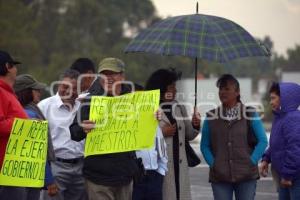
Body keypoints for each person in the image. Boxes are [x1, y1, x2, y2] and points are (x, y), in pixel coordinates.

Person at [69, 57, 142, 200]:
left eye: (112, 73)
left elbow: (144, 125)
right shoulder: (90, 100)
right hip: (98, 177)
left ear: (122, 76)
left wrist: (154, 116)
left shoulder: (134, 98)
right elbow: (73, 132)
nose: (108, 78)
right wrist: (83, 128)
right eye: (104, 74)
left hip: (125, 175)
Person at [200, 74, 268, 200]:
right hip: (220, 176)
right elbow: (204, 146)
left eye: (227, 89)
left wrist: (251, 161)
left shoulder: (250, 113)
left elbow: (263, 141)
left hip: (246, 175)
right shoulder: (211, 116)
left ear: (237, 92)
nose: (222, 92)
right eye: (220, 89)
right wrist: (214, 164)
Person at [144, 68, 201, 200]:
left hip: (179, 166)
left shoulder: (179, 107)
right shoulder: (148, 108)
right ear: (161, 88)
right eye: (171, 87)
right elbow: (142, 138)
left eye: (175, 86)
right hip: (159, 168)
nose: (175, 90)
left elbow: (189, 135)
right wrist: (162, 133)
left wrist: (196, 124)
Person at [38, 69, 87, 200]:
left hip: (81, 167)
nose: (69, 91)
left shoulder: (84, 106)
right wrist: (46, 175)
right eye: (65, 86)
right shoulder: (44, 106)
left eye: (74, 88)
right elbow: (37, 143)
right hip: (55, 167)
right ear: (59, 85)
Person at [14, 74, 59, 199]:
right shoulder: (29, 115)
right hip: (27, 179)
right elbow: (36, 152)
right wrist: (49, 180)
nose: (39, 92)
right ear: (26, 92)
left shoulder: (20, 111)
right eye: (36, 90)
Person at [260, 82, 300, 200]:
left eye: (273, 98)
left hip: (294, 178)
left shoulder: (293, 118)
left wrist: (288, 175)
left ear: (285, 98)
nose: (271, 102)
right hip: (285, 176)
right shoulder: (280, 117)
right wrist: (266, 159)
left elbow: (296, 149)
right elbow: (277, 144)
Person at [0, 50, 28, 199]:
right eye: (14, 66)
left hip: (13, 168)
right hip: (4, 171)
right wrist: (26, 125)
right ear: (7, 66)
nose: (17, 70)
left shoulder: (8, 93)